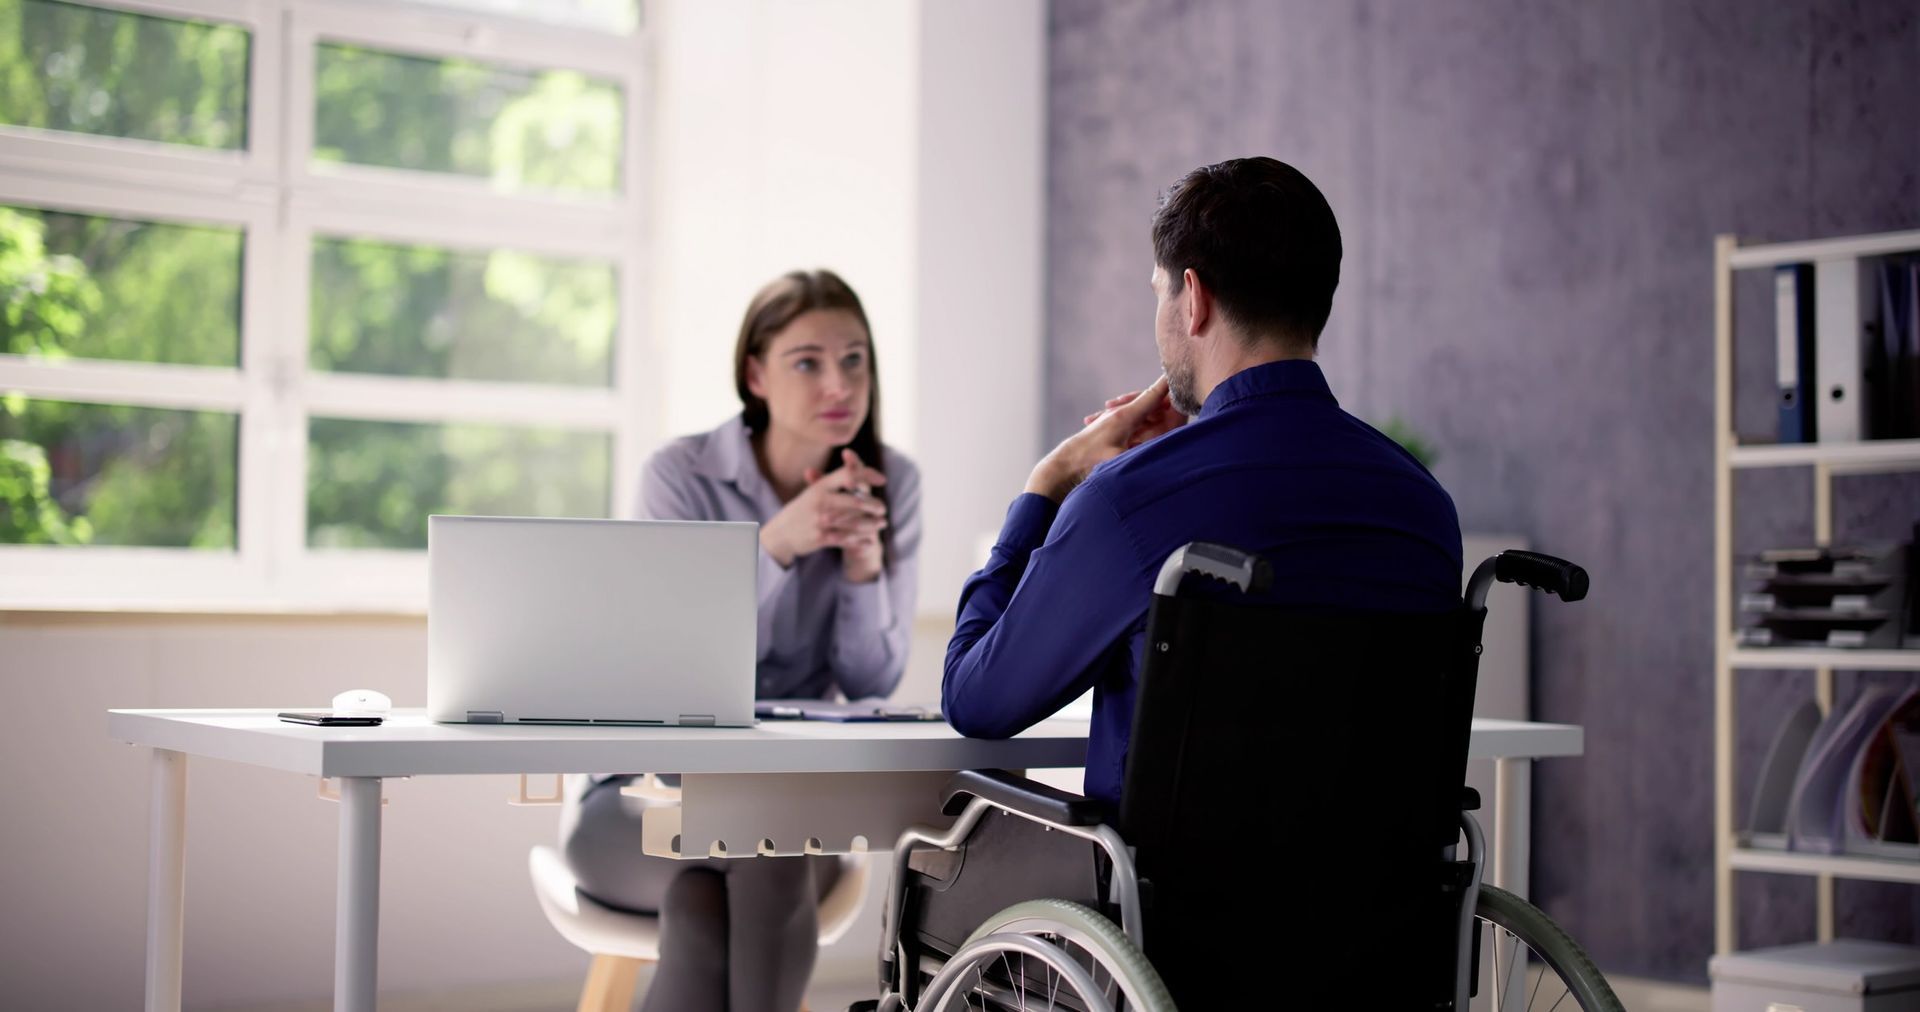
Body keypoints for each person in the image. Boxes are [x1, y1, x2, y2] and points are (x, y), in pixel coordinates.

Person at [942, 156, 1462, 809]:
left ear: (1194, 298)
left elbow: (976, 698)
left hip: (1173, 906)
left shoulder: (1128, 504)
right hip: (1377, 905)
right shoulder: (1423, 506)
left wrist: (1050, 483)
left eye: (1159, 291)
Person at [562, 269, 920, 1011]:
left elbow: (870, 683)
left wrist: (862, 572)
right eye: (808, 362)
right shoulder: (679, 477)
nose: (840, 383)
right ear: (755, 374)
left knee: (725, 886)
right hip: (637, 798)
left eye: (855, 359)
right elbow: (666, 663)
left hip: (789, 808)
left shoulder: (893, 483)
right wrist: (777, 546)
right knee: (759, 852)